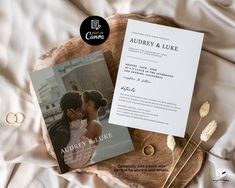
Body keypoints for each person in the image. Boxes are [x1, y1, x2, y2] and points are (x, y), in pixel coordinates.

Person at [63, 90, 108, 169]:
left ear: (89, 104)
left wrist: (75, 121)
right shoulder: (86, 121)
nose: (80, 106)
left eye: (82, 103)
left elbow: (74, 160)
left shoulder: (94, 125)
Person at [47, 91, 84, 173]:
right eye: (80, 109)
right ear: (70, 111)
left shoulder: (55, 124)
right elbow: (54, 162)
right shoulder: (64, 133)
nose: (82, 113)